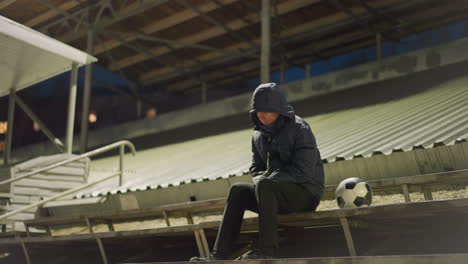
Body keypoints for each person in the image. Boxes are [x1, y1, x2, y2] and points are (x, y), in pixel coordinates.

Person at [190, 82, 324, 261]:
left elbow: (304, 172)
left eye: (267, 110)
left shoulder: (300, 129)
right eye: (258, 110)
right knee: (237, 190)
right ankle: (219, 255)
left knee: (265, 184)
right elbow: (256, 168)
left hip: (304, 194)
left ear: (279, 109)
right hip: (271, 195)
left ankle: (266, 251)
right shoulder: (257, 135)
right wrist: (263, 181)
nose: (261, 115)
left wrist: (266, 181)